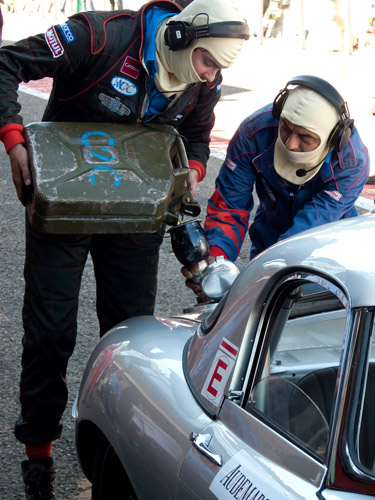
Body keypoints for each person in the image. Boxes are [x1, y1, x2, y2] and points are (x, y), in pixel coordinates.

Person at [0, 0, 249, 498]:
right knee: (50, 332)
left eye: (219, 68)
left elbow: (198, 138)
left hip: (137, 211)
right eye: (207, 61)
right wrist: (14, 141)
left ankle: (117, 449)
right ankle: (38, 453)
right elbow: (6, 63)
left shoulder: (205, 81)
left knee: (129, 339)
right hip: (63, 202)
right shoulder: (99, 37)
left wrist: (189, 175)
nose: (210, 75)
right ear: (180, 38)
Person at [183, 75, 369, 300]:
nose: (290, 143)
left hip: (326, 246)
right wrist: (216, 264)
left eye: (305, 137)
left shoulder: (352, 162)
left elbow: (310, 230)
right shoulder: (253, 133)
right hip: (270, 232)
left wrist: (263, 275)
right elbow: (229, 206)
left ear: (333, 138)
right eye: (286, 128)